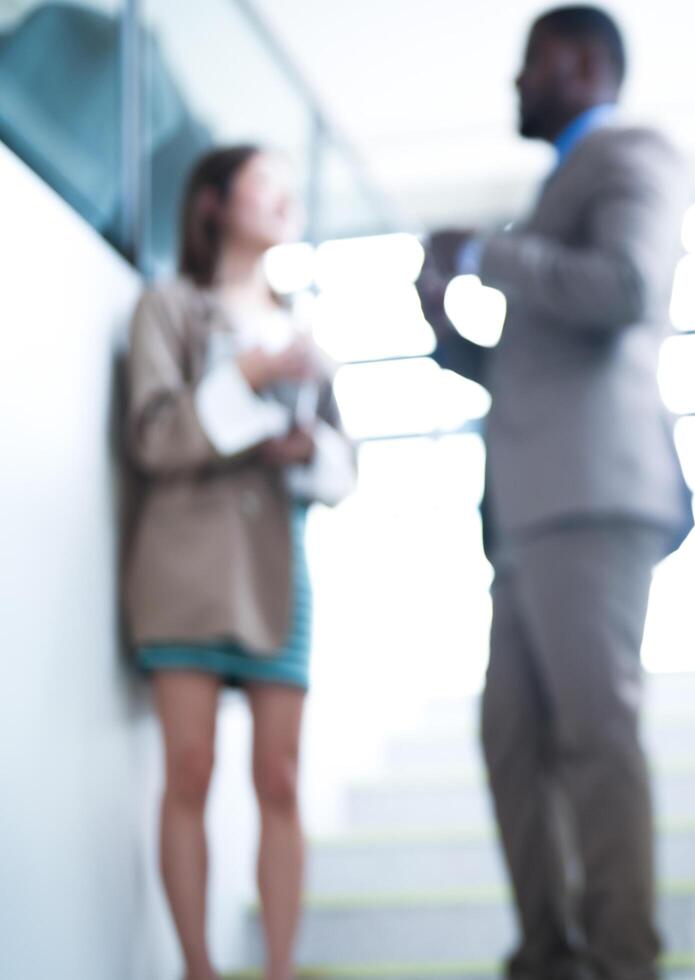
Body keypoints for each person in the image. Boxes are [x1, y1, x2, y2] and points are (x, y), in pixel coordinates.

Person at [413, 7, 691, 980]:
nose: (514, 83)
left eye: (529, 64)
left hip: (589, 497)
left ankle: (623, 958)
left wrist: (487, 252)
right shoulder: (560, 183)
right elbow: (529, 367)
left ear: (581, 64)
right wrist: (450, 330)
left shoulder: (630, 152)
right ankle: (548, 950)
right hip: (528, 512)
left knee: (594, 730)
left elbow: (623, 288)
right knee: (511, 737)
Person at [124, 145, 354, 980]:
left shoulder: (301, 330)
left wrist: (304, 446)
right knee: (189, 768)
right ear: (214, 201)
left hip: (276, 567)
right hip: (184, 568)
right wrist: (247, 379)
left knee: (280, 778)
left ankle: (280, 970)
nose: (283, 196)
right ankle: (197, 969)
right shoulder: (168, 308)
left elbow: (342, 466)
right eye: (264, 180)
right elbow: (153, 436)